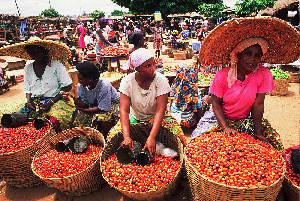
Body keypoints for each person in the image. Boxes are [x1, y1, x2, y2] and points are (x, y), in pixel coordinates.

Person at [192, 17, 300, 151]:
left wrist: (258, 132)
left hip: (245, 118)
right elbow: (216, 104)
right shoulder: (222, 76)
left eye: (257, 56)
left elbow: (258, 104)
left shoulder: (264, 74)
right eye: (248, 54)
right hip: (218, 117)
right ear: (238, 55)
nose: (252, 59)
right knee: (197, 145)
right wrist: (225, 127)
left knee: (268, 147)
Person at [0, 36, 75, 132]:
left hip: (55, 100)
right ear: (29, 54)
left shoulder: (56, 65)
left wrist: (51, 102)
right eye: (32, 52)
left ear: (44, 51)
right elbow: (28, 88)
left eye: (38, 51)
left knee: (56, 120)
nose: (36, 54)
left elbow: (67, 86)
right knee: (14, 120)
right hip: (36, 102)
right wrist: (29, 102)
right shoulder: (28, 68)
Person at [118, 48, 171, 157]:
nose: (153, 69)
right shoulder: (127, 82)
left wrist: (152, 136)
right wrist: (126, 137)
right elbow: (124, 110)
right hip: (135, 118)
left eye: (153, 64)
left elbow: (160, 111)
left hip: (156, 118)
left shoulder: (161, 81)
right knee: (115, 136)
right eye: (148, 66)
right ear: (137, 69)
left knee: (176, 137)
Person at [64, 62, 120, 138]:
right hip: (95, 105)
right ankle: (87, 138)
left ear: (90, 79)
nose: (79, 81)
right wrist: (71, 98)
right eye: (78, 79)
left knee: (103, 118)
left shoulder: (104, 86)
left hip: (111, 104)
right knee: (79, 119)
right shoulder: (82, 87)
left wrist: (83, 109)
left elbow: (102, 108)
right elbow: (85, 104)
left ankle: (108, 137)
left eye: (81, 79)